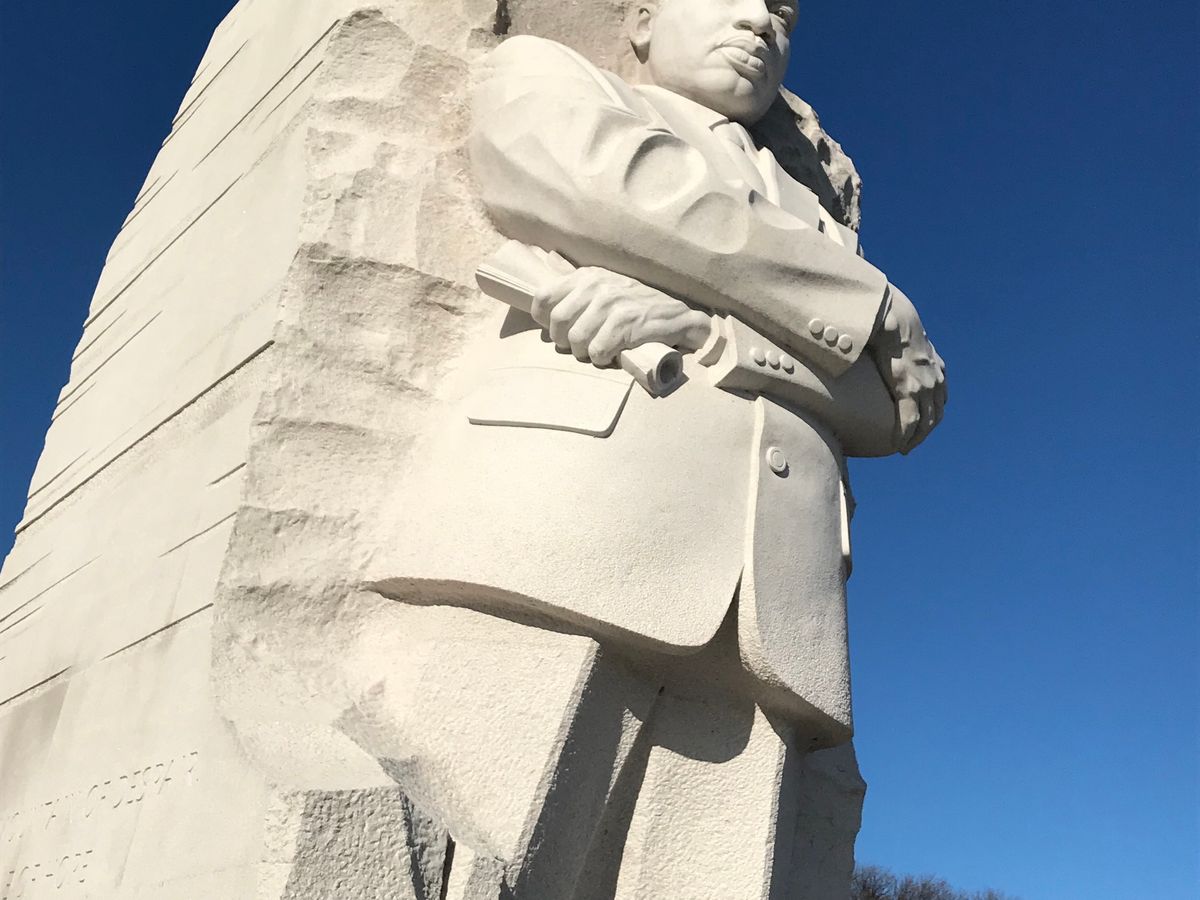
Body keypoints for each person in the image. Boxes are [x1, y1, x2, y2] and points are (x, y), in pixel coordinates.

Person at [363, 2, 947, 896]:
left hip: (777, 603)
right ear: (640, 20)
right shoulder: (552, 78)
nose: (760, 22)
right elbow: (611, 187)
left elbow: (891, 409)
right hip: (566, 539)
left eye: (784, 13)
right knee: (472, 857)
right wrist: (871, 303)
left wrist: (709, 331)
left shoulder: (817, 220)